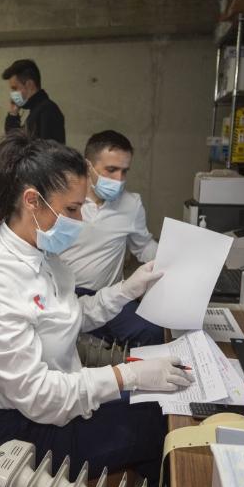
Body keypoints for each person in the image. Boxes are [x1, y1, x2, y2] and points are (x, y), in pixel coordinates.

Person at [0, 132, 192, 487]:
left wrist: (126, 289)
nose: (80, 220)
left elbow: (70, 317)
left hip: (58, 398)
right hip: (25, 428)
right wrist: (126, 375)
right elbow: (36, 396)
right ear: (32, 201)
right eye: (71, 210)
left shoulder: (43, 254)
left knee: (159, 405)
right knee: (162, 426)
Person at [60, 130, 164, 347]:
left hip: (109, 293)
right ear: (88, 166)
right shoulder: (64, 201)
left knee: (153, 331)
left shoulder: (131, 204)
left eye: (124, 171)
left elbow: (143, 246)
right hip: (64, 292)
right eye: (111, 170)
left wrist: (173, 259)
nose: (119, 179)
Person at [2, 59, 65, 144]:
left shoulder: (47, 110)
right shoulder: (36, 110)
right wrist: (13, 114)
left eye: (14, 88)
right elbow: (14, 143)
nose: (12, 94)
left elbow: (48, 153)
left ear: (29, 85)